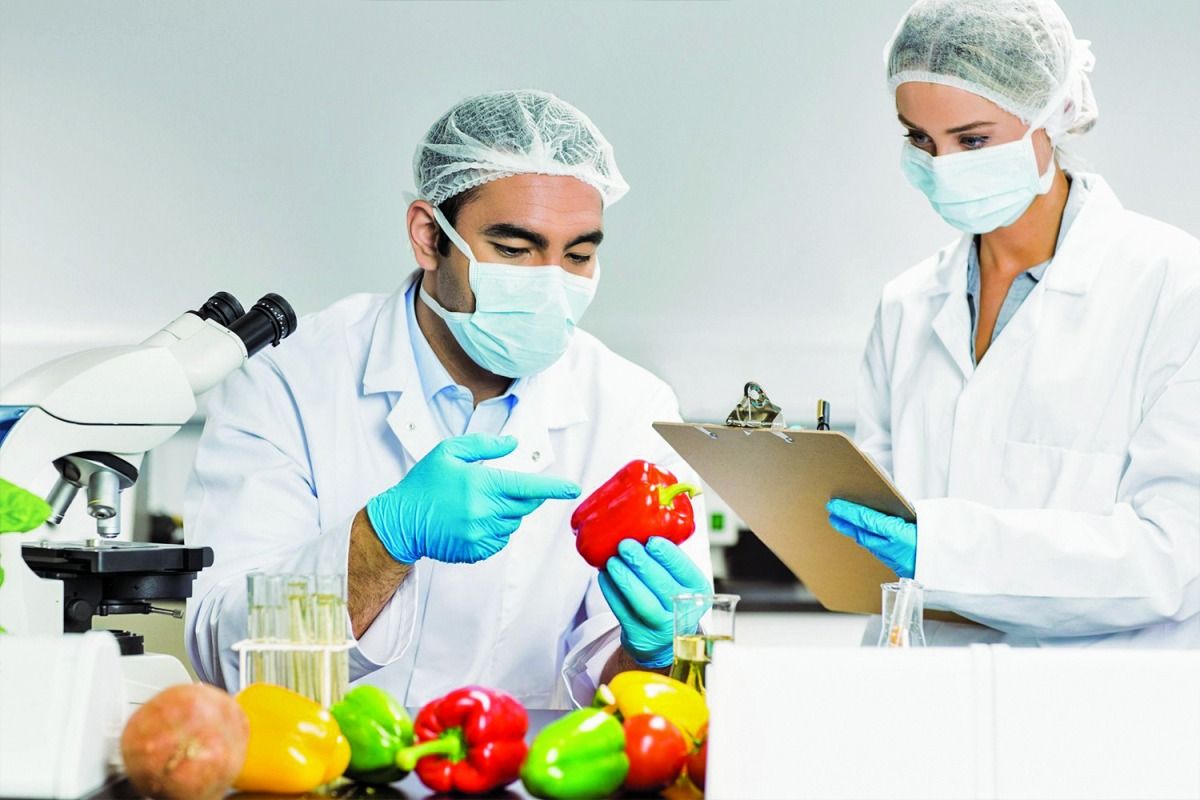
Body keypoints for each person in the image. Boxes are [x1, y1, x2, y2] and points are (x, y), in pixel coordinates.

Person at [185, 90, 713, 707]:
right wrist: (383, 539)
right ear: (428, 236)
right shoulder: (289, 380)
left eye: (579, 255)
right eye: (514, 250)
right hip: (320, 755)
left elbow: (634, 702)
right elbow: (222, 652)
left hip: (527, 760)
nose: (551, 284)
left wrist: (653, 656)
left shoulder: (632, 409)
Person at [829, 0, 1200, 645]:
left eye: (973, 140)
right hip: (923, 686)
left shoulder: (1172, 285)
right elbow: (877, 542)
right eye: (920, 139)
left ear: (1049, 115)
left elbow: (1173, 559)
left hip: (1094, 692)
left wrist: (946, 551)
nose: (942, 165)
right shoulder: (907, 304)